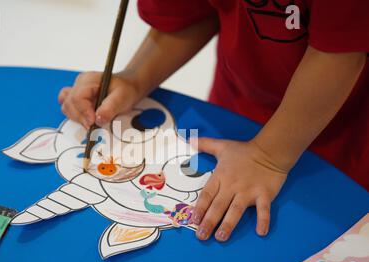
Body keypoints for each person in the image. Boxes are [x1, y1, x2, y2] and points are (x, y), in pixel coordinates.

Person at [58, 0, 369, 242]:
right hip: (236, 111)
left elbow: (341, 52)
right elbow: (194, 12)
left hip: (343, 134)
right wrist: (136, 79)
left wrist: (269, 156)